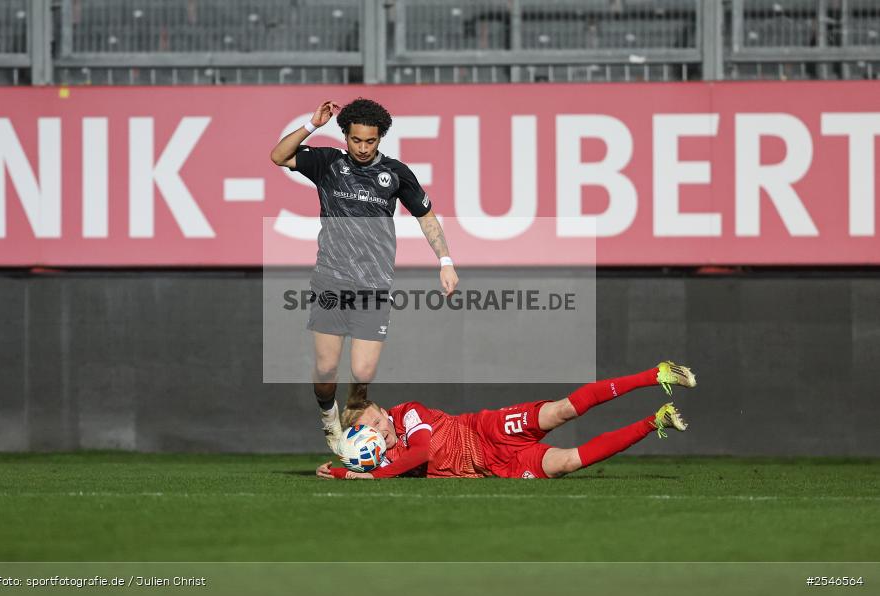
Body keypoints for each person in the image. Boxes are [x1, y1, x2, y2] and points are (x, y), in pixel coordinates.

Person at [270, 99, 458, 453]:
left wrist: (445, 260)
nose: (362, 147)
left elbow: (426, 216)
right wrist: (312, 125)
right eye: (356, 140)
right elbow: (279, 157)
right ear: (345, 136)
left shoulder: (396, 173)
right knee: (326, 372)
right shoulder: (327, 163)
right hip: (330, 281)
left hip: (374, 285)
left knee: (363, 372)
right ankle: (329, 417)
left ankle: (357, 437)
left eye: (370, 141)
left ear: (380, 138)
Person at [316, 361, 697, 479]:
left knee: (561, 410)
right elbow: (359, 462)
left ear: (385, 412)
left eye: (379, 423)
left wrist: (361, 476)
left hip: (486, 431)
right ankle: (654, 422)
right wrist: (338, 470)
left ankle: (655, 375)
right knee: (567, 462)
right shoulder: (378, 453)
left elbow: (420, 454)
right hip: (496, 467)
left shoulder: (408, 414)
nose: (382, 432)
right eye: (373, 431)